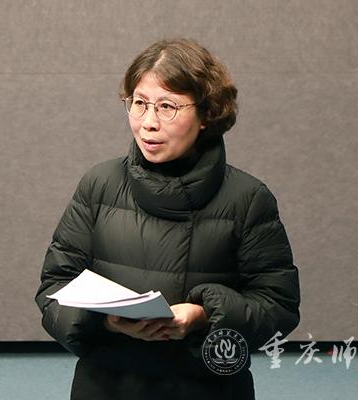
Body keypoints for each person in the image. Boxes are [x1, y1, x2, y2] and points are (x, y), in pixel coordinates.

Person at [35, 38, 300, 400]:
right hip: (106, 388)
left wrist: (204, 314)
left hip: (208, 389)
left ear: (207, 113)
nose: (148, 123)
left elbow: (278, 307)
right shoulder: (99, 185)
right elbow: (55, 287)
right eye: (139, 103)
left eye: (167, 107)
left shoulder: (248, 199)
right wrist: (106, 320)